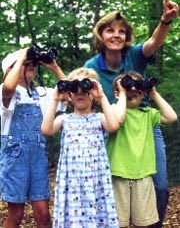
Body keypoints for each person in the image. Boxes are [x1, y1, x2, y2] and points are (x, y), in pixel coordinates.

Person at [84, 0, 179, 227]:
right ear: (101, 35)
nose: (116, 35)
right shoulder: (92, 65)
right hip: (112, 125)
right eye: (110, 30)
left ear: (127, 37)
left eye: (121, 32)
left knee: (159, 184)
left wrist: (165, 21)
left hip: (144, 123)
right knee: (112, 183)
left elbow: (154, 42)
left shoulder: (134, 55)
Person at [41, 67, 126, 228]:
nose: (80, 93)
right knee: (73, 214)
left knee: (96, 210)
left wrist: (101, 97)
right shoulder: (64, 119)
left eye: (85, 89)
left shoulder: (99, 118)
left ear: (92, 93)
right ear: (69, 94)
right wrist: (55, 100)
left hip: (95, 177)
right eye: (75, 89)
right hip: (71, 178)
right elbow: (46, 129)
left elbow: (113, 126)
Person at [0, 47, 67, 228]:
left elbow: (70, 93)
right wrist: (22, 56)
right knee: (16, 213)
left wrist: (54, 67)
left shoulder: (42, 94)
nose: (30, 66)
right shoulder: (6, 92)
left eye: (32, 64)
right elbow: (8, 89)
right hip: (15, 158)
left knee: (43, 213)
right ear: (9, 70)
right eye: (25, 64)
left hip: (37, 157)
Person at [107, 71, 177, 227]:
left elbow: (171, 117)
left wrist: (153, 93)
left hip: (143, 175)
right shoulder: (112, 111)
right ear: (117, 93)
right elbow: (117, 120)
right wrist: (123, 95)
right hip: (117, 174)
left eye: (137, 87)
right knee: (118, 223)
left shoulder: (148, 114)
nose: (132, 90)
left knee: (143, 222)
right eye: (127, 87)